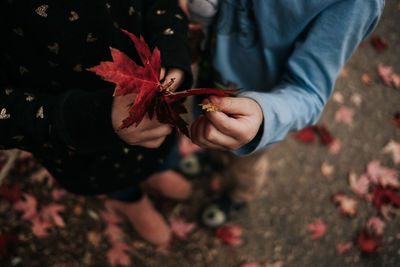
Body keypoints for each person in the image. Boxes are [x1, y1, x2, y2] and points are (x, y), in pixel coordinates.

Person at [0, 0, 193, 245]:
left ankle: (155, 172)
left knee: (156, 144)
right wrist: (89, 118)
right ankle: (129, 200)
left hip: (147, 81)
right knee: (105, 171)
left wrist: (172, 54)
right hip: (70, 123)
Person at [181, 0, 385, 227]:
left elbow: (309, 92)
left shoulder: (354, 4)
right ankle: (215, 159)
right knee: (212, 135)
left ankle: (239, 196)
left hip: (255, 112)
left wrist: (262, 116)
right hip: (213, 72)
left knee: (244, 166)